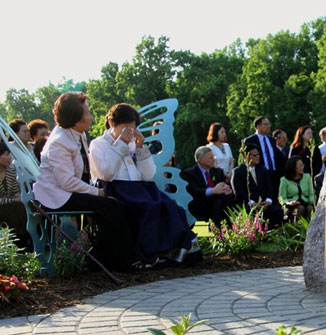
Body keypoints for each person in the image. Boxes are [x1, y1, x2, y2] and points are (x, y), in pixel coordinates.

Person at [33, 92, 136, 270]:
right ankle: (120, 262)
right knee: (111, 206)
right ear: (76, 120)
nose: (91, 117)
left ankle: (102, 257)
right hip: (56, 197)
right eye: (87, 114)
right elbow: (66, 182)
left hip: (68, 191)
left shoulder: (76, 134)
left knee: (113, 204)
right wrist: (97, 192)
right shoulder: (59, 142)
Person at [89, 103, 198, 265]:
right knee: (147, 208)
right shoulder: (99, 143)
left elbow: (147, 175)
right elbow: (107, 174)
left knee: (169, 206)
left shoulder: (133, 143)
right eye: (125, 128)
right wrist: (120, 144)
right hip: (116, 189)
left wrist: (141, 149)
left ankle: (173, 250)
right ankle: (147, 255)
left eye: (132, 128)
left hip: (139, 187)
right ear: (113, 124)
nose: (129, 133)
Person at [231, 143, 283, 228]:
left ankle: (273, 234)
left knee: (277, 210)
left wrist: (268, 200)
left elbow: (270, 187)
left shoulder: (263, 170)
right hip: (248, 204)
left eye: (258, 154)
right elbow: (238, 192)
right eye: (255, 155)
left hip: (263, 204)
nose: (258, 156)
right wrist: (252, 203)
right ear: (245, 156)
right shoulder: (238, 172)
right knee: (248, 212)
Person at [181, 146, 235, 225]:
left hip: (218, 207)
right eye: (211, 158)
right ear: (201, 160)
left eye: (213, 157)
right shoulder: (189, 174)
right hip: (200, 209)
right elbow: (194, 191)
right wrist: (212, 191)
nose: (214, 159)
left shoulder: (218, 172)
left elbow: (222, 188)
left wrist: (227, 190)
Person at [243, 116, 285, 190]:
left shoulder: (271, 140)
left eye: (269, 124)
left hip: (274, 174)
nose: (269, 126)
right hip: (260, 174)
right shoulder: (250, 140)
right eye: (266, 124)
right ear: (258, 126)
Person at [0, 142, 28, 245]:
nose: (10, 157)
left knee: (20, 208)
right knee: (16, 207)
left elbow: (15, 191)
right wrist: (14, 199)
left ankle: (21, 242)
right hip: (4, 206)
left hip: (11, 207)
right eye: (7, 154)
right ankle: (21, 243)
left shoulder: (10, 170)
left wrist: (19, 197)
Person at [279, 156, 314, 221]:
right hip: (291, 205)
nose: (302, 167)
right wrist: (289, 202)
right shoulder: (284, 180)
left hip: (305, 202)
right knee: (300, 209)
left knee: (310, 208)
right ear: (293, 167)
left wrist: (311, 200)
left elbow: (311, 193)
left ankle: (310, 229)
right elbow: (282, 198)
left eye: (303, 165)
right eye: (300, 166)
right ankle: (297, 228)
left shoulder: (307, 177)